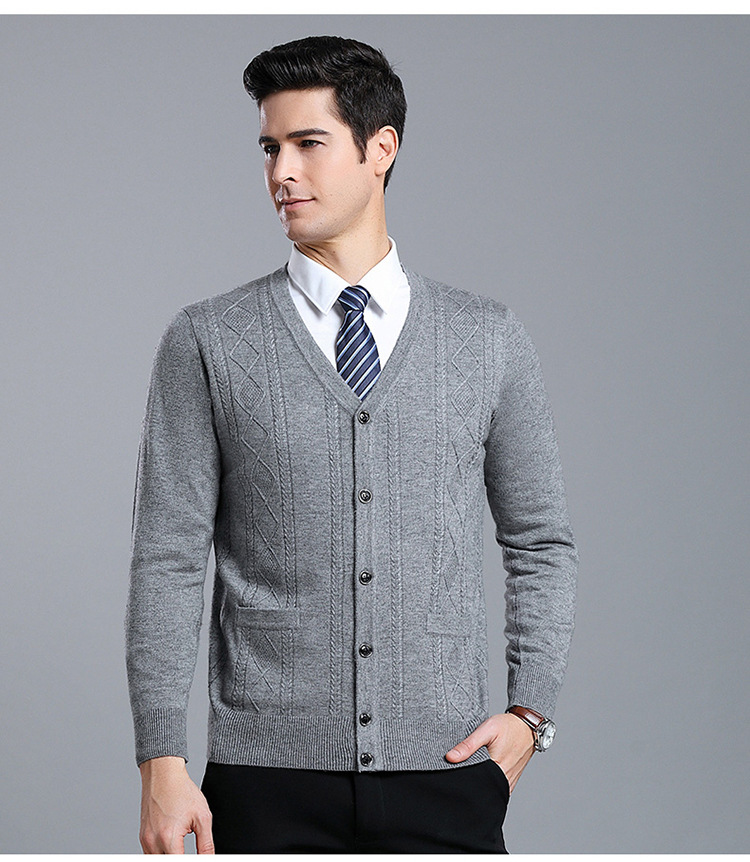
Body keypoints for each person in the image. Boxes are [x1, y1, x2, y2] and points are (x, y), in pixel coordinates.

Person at [125, 34, 578, 854]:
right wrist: (161, 756)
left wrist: (530, 711)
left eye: (308, 144)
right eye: (270, 148)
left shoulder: (487, 339)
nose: (281, 172)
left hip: (447, 774)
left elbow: (540, 539)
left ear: (381, 149)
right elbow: (168, 556)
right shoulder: (208, 340)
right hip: (263, 784)